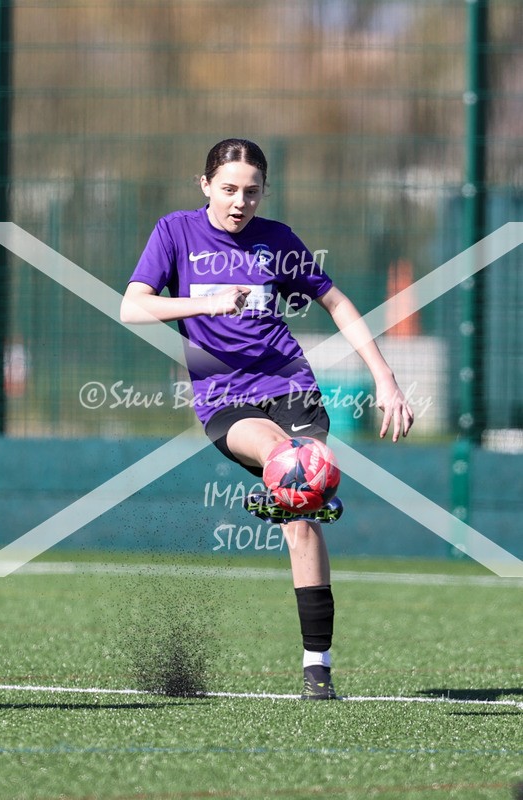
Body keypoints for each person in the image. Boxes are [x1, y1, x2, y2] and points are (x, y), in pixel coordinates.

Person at [120, 138, 414, 700]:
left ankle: (317, 667)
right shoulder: (175, 232)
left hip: (290, 384)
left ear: (264, 192)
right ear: (204, 184)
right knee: (290, 463)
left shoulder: (277, 242)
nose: (239, 202)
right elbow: (132, 305)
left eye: (251, 192)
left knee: (301, 516)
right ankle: (294, 485)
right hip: (223, 397)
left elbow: (337, 303)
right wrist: (202, 304)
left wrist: (385, 377)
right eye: (228, 189)